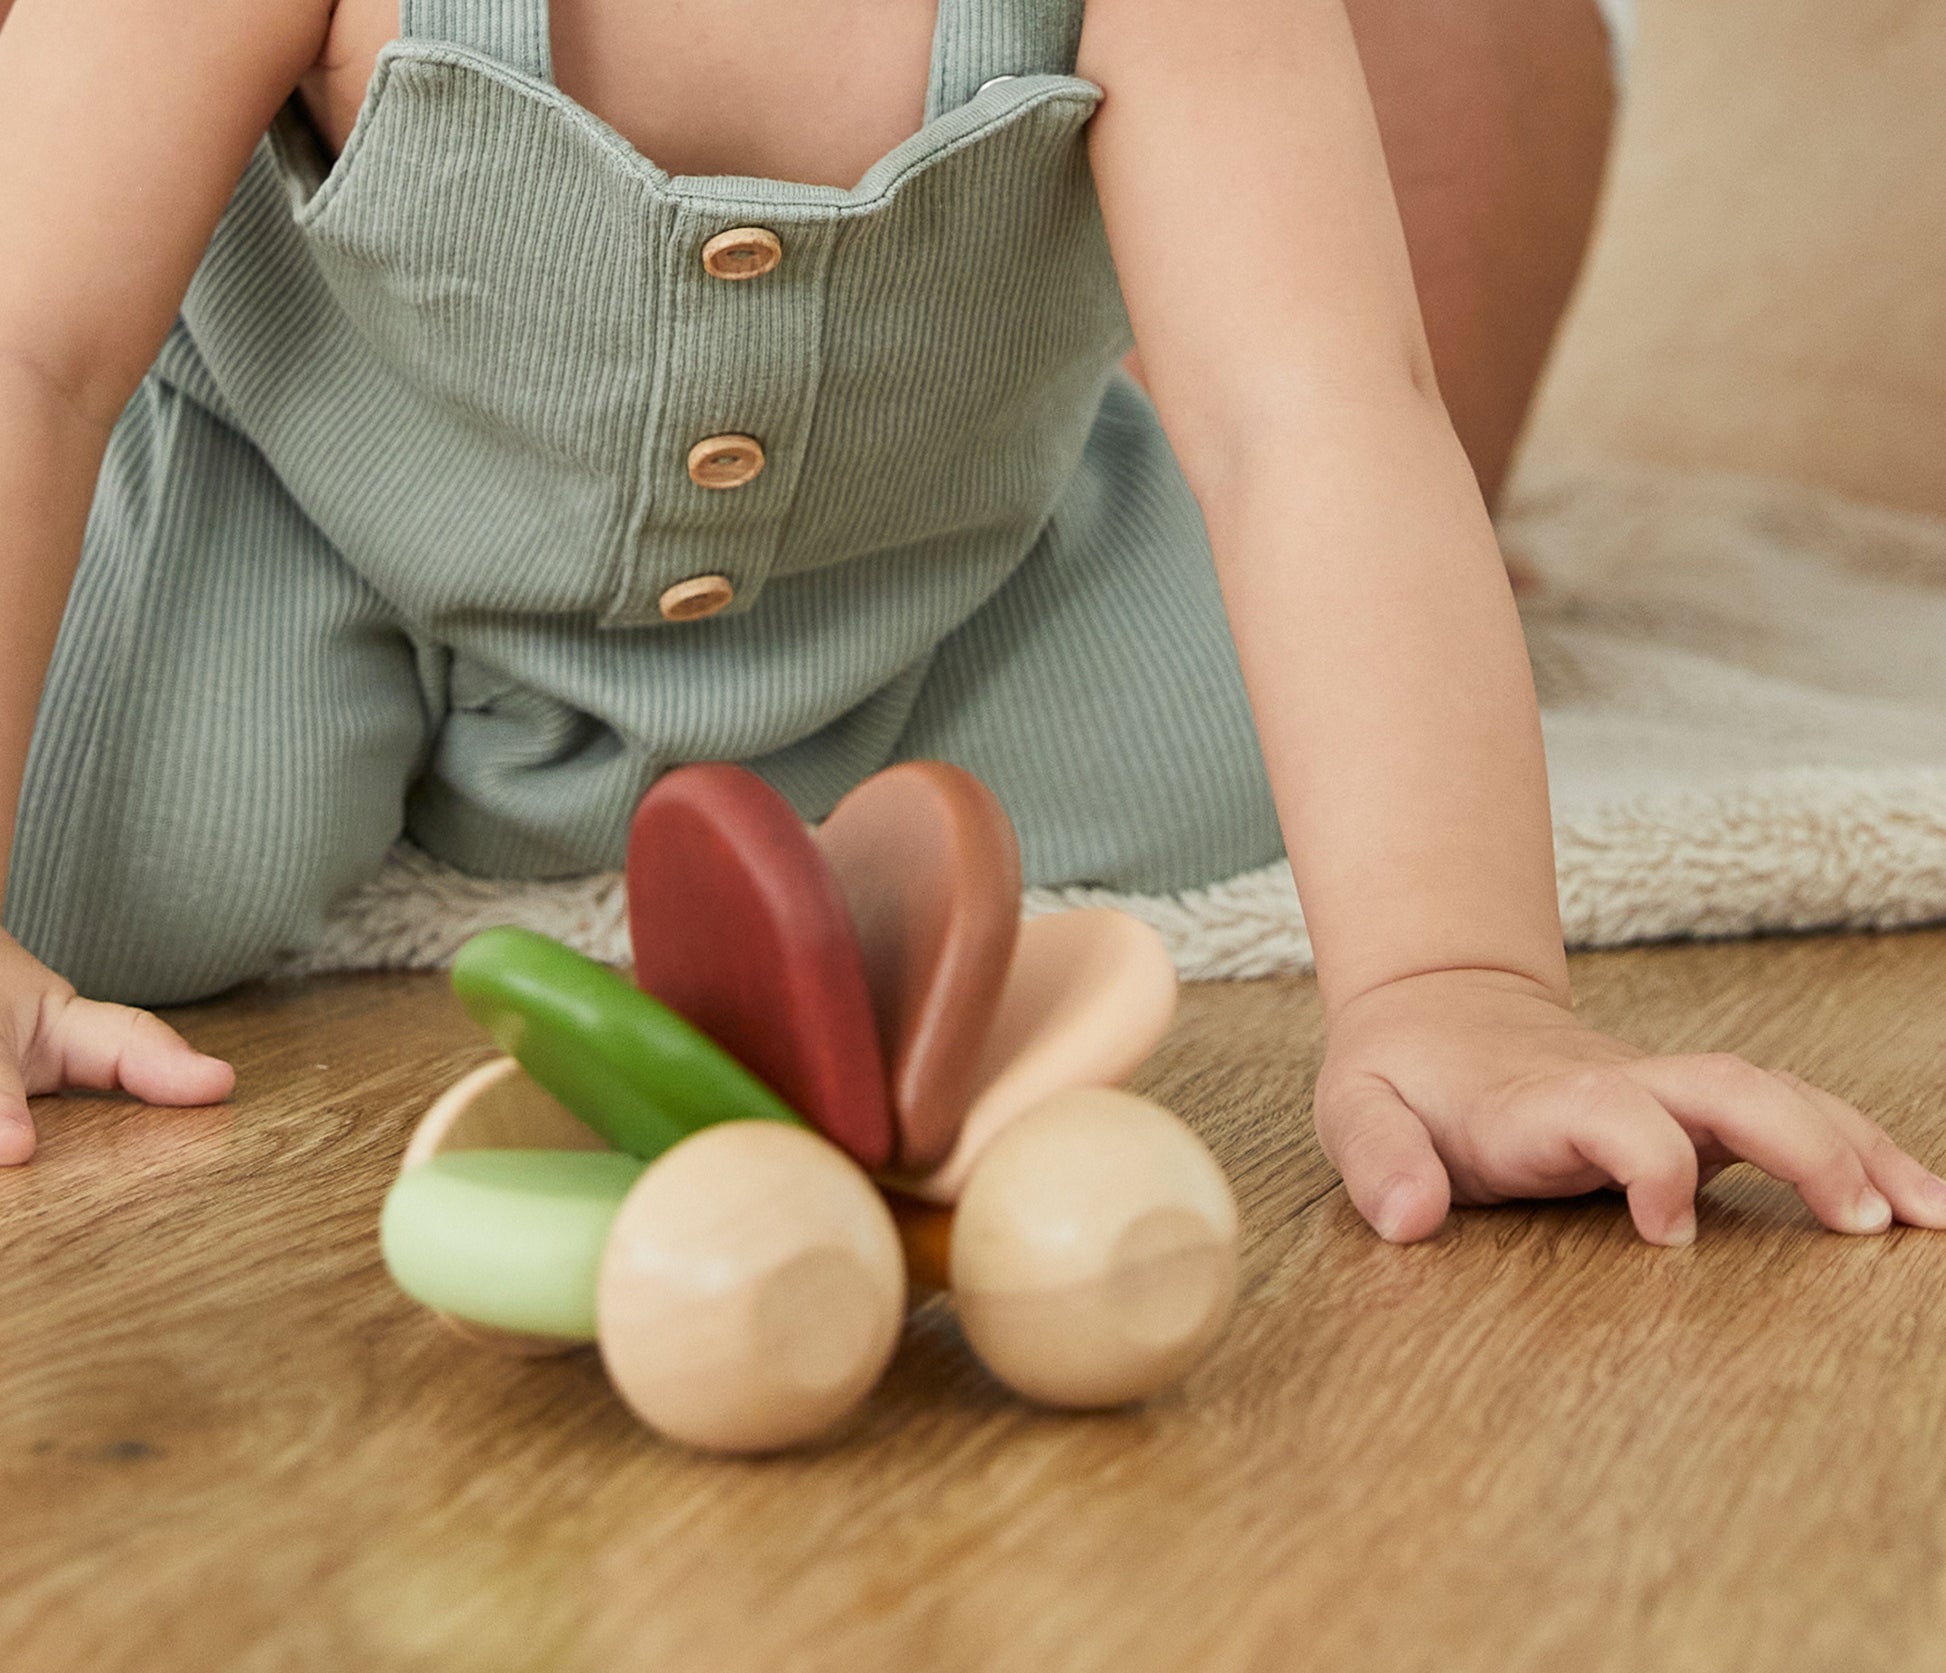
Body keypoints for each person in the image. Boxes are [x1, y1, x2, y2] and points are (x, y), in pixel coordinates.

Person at [2, 0, 1941, 1249]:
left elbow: (1306, 414)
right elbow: (37, 349)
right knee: (123, 870)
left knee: (1280, 738)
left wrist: (1458, 985)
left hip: (908, 588)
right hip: (299, 518)